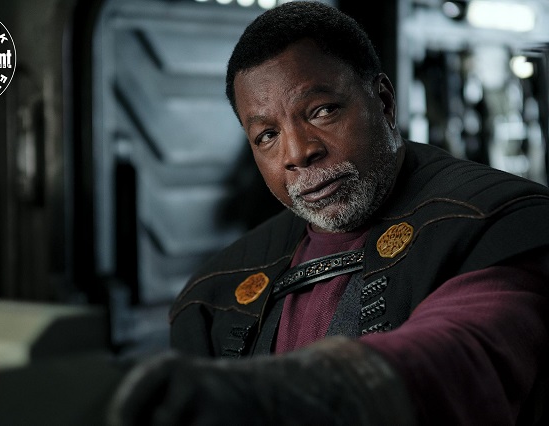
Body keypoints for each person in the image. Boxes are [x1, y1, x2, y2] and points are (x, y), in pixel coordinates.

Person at [107, 2, 549, 425]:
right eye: (267, 136)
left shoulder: (500, 222)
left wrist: (283, 397)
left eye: (321, 112)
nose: (298, 152)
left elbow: (463, 351)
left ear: (384, 102)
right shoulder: (213, 293)